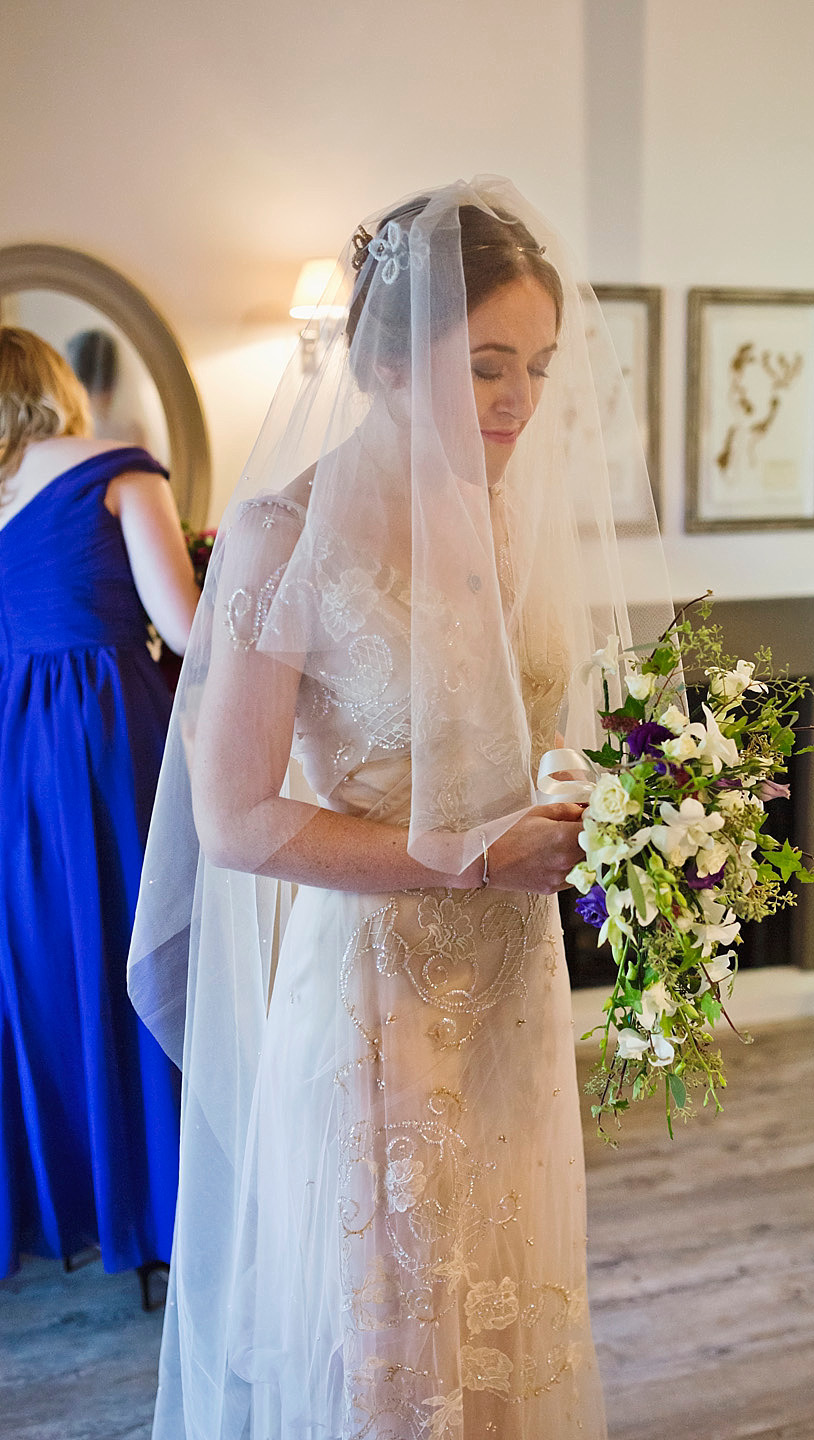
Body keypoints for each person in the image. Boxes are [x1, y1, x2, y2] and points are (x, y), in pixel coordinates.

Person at [129, 178, 674, 1438]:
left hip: (514, 982)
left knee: (511, 1300)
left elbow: (534, 734)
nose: (520, 403)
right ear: (381, 361)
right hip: (384, 991)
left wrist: (619, 814)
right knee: (396, 1337)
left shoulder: (507, 516)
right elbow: (237, 821)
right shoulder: (283, 535)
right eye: (487, 366)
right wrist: (471, 862)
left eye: (537, 367)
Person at [0, 327, 199, 1303]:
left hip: (20, 754)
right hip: (111, 737)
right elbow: (188, 629)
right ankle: (165, 1212)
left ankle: (91, 1205)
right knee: (145, 949)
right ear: (54, 386)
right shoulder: (116, 467)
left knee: (56, 976)